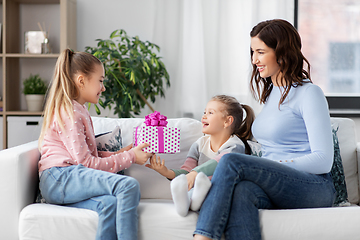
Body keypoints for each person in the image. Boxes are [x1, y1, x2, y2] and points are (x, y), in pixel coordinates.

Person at [193, 19, 336, 240]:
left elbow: (323, 159)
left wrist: (273, 165)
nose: (254, 60)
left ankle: (202, 237)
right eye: (252, 52)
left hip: (313, 186)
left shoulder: (310, 94)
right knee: (242, 192)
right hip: (278, 182)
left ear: (282, 53)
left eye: (260, 52)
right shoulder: (272, 95)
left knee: (231, 161)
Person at [38, 49, 153, 240]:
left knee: (109, 204)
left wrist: (121, 153)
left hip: (63, 179)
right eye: (100, 80)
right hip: (60, 177)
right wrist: (130, 157)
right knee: (128, 186)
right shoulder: (71, 112)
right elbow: (85, 164)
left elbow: (87, 159)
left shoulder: (79, 110)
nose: (104, 87)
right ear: (81, 80)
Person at [146, 95, 255, 217]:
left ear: (227, 121)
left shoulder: (235, 145)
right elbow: (187, 170)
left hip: (222, 190)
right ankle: (187, 204)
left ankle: (193, 202)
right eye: (204, 112)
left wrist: (195, 173)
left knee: (204, 187)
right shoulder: (199, 144)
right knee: (192, 188)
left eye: (210, 112)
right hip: (198, 186)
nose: (204, 116)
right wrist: (166, 172)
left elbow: (221, 161)